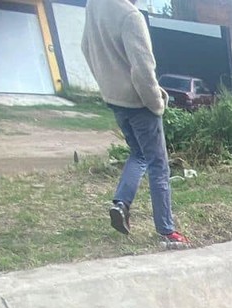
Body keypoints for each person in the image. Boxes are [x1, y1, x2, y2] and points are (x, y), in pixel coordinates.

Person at [82, 0, 189, 248]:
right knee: (158, 165)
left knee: (139, 154)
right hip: (139, 103)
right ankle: (166, 231)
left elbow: (85, 48)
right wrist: (156, 104)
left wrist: (106, 83)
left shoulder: (95, 6)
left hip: (114, 99)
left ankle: (121, 204)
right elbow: (143, 69)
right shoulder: (131, 16)